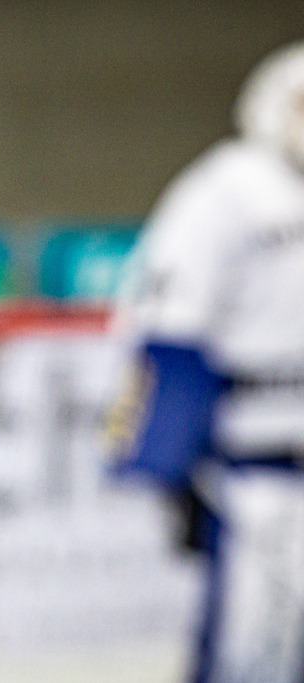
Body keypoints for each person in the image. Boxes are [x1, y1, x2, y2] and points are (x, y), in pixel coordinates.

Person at [112, 43, 304, 682]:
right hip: (256, 469)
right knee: (250, 648)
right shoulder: (227, 189)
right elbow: (169, 330)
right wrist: (166, 464)